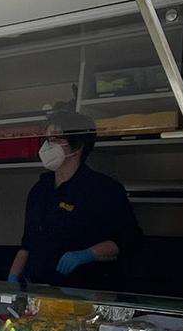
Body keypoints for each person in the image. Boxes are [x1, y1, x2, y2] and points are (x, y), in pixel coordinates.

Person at [8, 106, 141, 290]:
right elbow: (27, 244)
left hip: (85, 290)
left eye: (56, 139)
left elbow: (127, 241)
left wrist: (87, 254)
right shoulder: (40, 190)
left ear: (78, 146)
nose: (48, 145)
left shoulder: (103, 189)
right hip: (39, 289)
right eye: (47, 139)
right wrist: (13, 278)